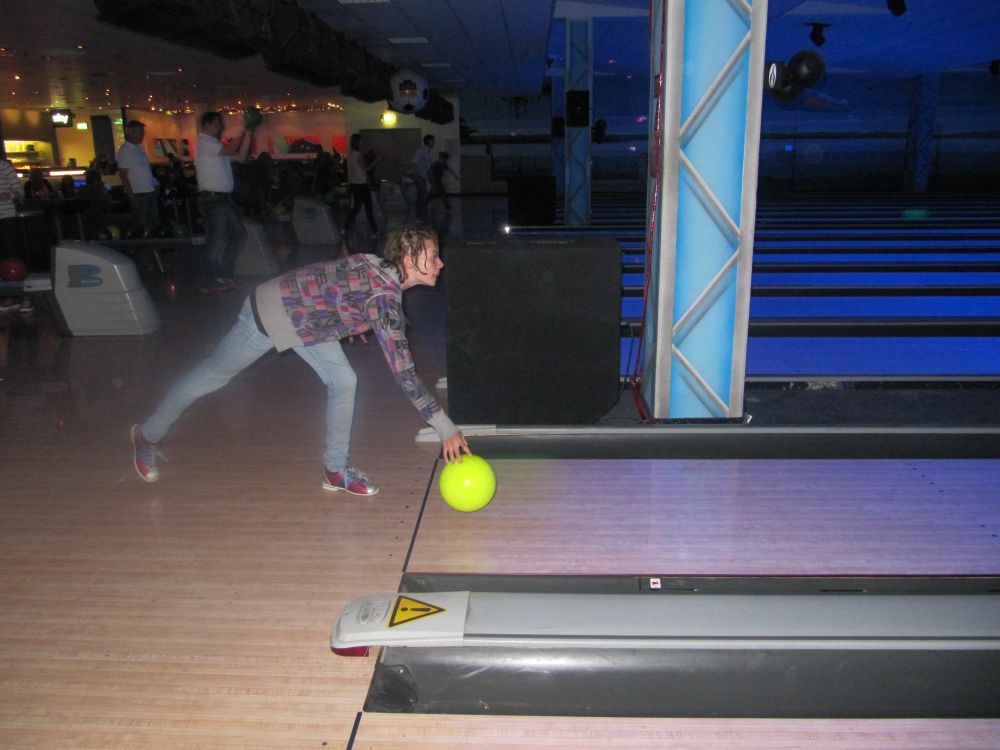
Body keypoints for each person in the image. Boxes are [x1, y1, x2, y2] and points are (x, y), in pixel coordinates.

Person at [130, 224, 471, 493]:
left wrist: (353, 322)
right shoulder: (384, 299)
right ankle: (147, 435)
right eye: (433, 256)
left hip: (306, 321)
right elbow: (404, 373)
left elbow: (340, 285)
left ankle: (335, 470)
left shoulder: (377, 265)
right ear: (409, 261)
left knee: (344, 380)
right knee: (212, 376)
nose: (440, 263)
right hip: (269, 314)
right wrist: (446, 428)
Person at [195, 111, 254, 293]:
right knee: (215, 241)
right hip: (212, 199)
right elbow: (231, 150)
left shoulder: (215, 145)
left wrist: (248, 134)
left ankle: (224, 275)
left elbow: (241, 157)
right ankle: (208, 281)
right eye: (217, 124)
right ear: (207, 125)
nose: (220, 127)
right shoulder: (204, 143)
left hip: (224, 199)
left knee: (239, 235)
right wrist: (242, 128)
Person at [115, 120, 159, 237]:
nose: (142, 134)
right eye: (140, 131)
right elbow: (123, 175)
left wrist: (153, 184)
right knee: (141, 223)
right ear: (130, 132)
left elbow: (145, 169)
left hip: (148, 190)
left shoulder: (139, 147)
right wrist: (131, 195)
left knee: (152, 221)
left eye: (142, 131)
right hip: (138, 192)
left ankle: (151, 242)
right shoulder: (125, 150)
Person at [344, 133, 379, 236]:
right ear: (358, 142)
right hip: (361, 185)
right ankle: (375, 231)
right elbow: (366, 169)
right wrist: (377, 160)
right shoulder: (358, 155)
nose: (363, 142)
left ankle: (345, 228)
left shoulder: (350, 154)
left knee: (356, 208)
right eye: (361, 140)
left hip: (354, 184)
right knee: (368, 209)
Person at [0, 157, 24, 257]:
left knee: (10, 252)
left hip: (6, 217)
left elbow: (20, 192)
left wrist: (9, 195)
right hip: (7, 216)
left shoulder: (4, 166)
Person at [411, 134, 435, 221]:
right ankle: (422, 216)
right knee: (423, 197)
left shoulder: (431, 151)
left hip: (424, 176)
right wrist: (416, 175)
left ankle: (419, 215)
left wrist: (431, 177)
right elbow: (414, 162)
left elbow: (429, 166)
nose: (434, 142)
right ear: (428, 141)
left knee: (421, 196)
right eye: (433, 140)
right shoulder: (421, 150)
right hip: (419, 175)